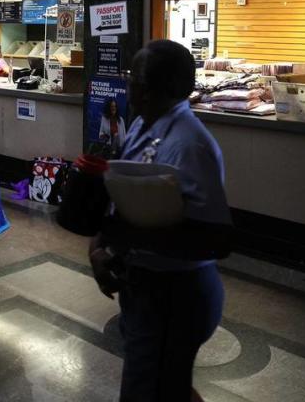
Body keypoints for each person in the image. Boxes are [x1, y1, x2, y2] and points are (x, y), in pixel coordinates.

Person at [89, 40, 231, 402]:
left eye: (134, 77)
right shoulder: (143, 125)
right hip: (146, 286)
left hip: (176, 294)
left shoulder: (189, 144)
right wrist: (104, 244)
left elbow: (212, 239)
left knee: (147, 391)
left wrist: (126, 237)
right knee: (167, 387)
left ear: (156, 88)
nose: (128, 85)